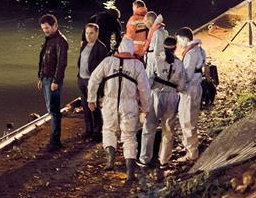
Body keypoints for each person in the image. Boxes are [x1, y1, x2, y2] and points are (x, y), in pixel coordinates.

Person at [87, 38, 151, 183]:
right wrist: (146, 108)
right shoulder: (137, 65)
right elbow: (144, 89)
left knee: (109, 130)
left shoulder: (108, 61)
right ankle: (130, 173)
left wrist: (91, 99)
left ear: (118, 49)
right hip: (129, 104)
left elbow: (94, 79)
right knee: (129, 136)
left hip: (110, 102)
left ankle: (110, 161)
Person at [140, 35, 185, 174]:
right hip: (172, 97)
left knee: (149, 128)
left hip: (156, 95)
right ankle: (164, 159)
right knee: (168, 130)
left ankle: (144, 159)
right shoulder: (179, 63)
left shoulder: (154, 59)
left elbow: (147, 81)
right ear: (175, 48)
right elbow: (182, 86)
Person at [37, 13, 68, 151]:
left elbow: (61, 63)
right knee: (51, 109)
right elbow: (43, 60)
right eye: (43, 28)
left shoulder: (61, 41)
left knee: (54, 110)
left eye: (47, 28)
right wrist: (40, 77)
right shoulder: (49, 39)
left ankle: (55, 141)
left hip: (53, 80)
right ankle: (53, 139)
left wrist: (56, 81)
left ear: (55, 26)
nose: (45, 30)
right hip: (46, 78)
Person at [176, 27, 208, 162]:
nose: (178, 44)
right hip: (197, 87)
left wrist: (177, 86)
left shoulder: (190, 53)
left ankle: (191, 153)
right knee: (192, 120)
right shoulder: (200, 49)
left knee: (187, 121)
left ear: (184, 38)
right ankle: (192, 148)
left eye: (179, 40)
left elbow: (187, 75)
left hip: (189, 90)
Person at [77, 22, 110, 141]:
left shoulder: (101, 48)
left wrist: (100, 85)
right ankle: (88, 129)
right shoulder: (84, 45)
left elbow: (103, 69)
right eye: (86, 33)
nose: (88, 35)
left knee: (94, 106)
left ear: (97, 33)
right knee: (85, 106)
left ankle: (97, 131)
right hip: (82, 79)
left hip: (93, 81)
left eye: (91, 33)